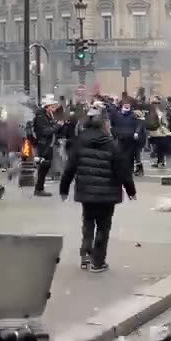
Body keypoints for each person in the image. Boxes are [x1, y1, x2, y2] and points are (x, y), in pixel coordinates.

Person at [59, 105, 137, 272]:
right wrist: (131, 191)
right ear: (104, 126)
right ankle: (98, 262)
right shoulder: (111, 144)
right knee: (103, 226)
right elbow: (122, 170)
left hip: (86, 190)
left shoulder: (79, 142)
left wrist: (64, 189)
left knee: (88, 223)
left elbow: (70, 168)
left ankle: (85, 255)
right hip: (107, 193)